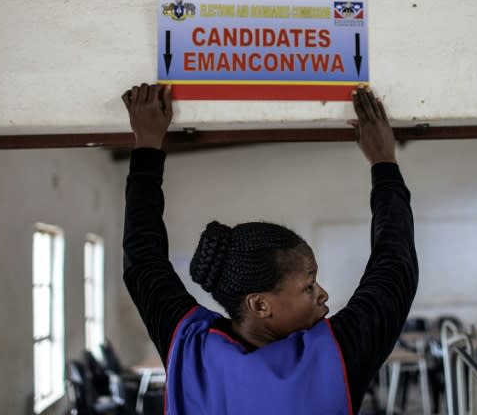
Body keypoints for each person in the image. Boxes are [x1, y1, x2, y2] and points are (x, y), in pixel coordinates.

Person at [121, 83, 418, 415]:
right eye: (308, 285)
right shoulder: (336, 354)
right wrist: (384, 162)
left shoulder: (188, 347)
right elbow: (395, 265)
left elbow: (142, 258)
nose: (323, 295)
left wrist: (146, 144)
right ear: (260, 304)